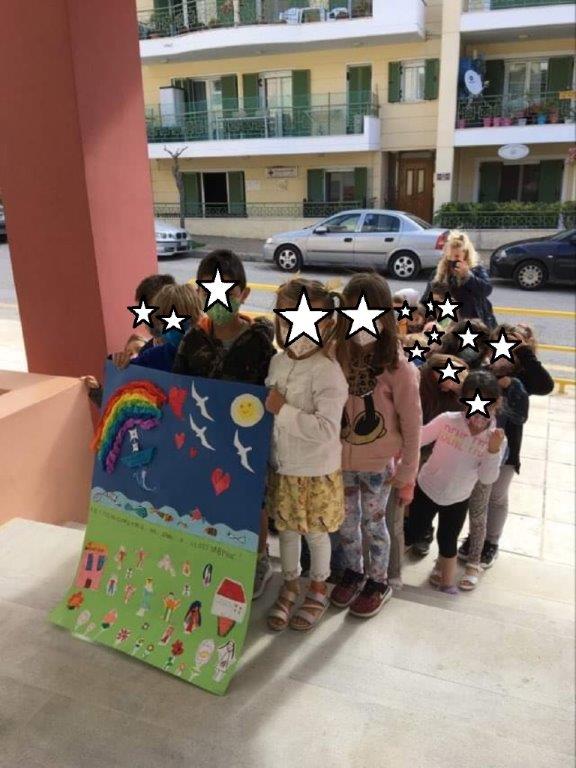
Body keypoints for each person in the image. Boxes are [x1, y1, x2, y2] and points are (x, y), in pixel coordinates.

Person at [172, 250, 277, 599]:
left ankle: (260, 559)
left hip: (249, 443)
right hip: (205, 441)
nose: (217, 300)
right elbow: (177, 386)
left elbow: (272, 388)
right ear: (199, 294)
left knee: (254, 501)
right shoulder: (192, 340)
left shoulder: (259, 342)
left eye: (227, 292)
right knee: (210, 499)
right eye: (208, 291)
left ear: (244, 294)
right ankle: (216, 552)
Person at [330, 273, 422, 615]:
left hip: (378, 466)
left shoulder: (399, 368)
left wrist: (408, 472)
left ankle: (378, 581)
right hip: (341, 462)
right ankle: (353, 574)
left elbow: (412, 424)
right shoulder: (337, 354)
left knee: (374, 526)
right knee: (346, 524)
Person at [264, 278, 348, 631]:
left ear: (325, 323)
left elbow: (327, 429)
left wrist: (282, 410)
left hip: (315, 470)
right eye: (286, 315)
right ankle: (290, 584)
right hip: (284, 466)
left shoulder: (328, 371)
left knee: (315, 533)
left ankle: (317, 588)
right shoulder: (277, 362)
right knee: (286, 530)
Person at [458, 323, 554, 569]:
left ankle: (491, 542)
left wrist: (523, 352)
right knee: (477, 495)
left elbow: (546, 385)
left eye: (514, 344)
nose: (506, 348)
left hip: (506, 449)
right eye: (502, 342)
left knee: (497, 496)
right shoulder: (483, 368)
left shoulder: (523, 377)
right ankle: (475, 537)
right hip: (475, 446)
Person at [409, 370, 507, 594]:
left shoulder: (495, 438)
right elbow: (419, 437)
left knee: (448, 540)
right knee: (413, 532)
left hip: (458, 498)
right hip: (427, 488)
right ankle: (390, 572)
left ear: (496, 403)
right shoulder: (448, 420)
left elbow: (487, 478)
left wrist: (492, 451)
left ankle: (447, 584)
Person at [458, 373, 528, 590]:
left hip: (502, 455)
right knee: (470, 502)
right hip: (470, 455)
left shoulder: (516, 384)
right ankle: (472, 541)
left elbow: (522, 415)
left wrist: (512, 383)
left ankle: (490, 543)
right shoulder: (480, 374)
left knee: (496, 497)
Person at [403, 352, 469, 556]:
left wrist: (458, 388)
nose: (443, 387)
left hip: (440, 451)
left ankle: (423, 533)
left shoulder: (463, 392)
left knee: (428, 497)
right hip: (416, 445)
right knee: (412, 496)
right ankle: (417, 531)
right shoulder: (420, 381)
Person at [421, 231, 496, 329]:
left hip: (474, 324)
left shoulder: (476, 269)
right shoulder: (439, 273)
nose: (453, 260)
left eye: (457, 256)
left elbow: (486, 290)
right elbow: (425, 300)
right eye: (450, 256)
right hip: (447, 325)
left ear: (466, 254)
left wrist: (467, 276)